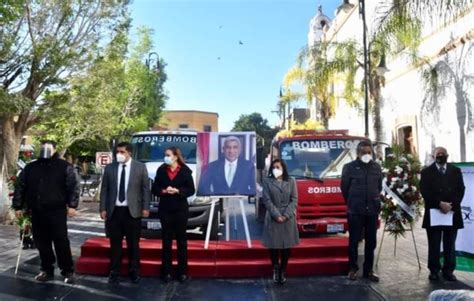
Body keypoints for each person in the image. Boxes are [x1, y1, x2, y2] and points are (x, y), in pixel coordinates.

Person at [12, 140, 79, 283]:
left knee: (61, 240)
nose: (45, 150)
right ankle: (46, 269)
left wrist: (72, 205)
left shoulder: (64, 167)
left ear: (55, 149)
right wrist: (18, 206)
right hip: (37, 210)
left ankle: (67, 270)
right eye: (43, 147)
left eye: (48, 148)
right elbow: (21, 186)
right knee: (42, 242)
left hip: (57, 210)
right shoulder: (31, 168)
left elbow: (73, 186)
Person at [99, 142, 150, 284]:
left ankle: (134, 270)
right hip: (114, 211)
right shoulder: (110, 168)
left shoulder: (140, 167)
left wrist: (145, 208)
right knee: (115, 243)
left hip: (132, 212)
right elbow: (105, 190)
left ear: (129, 153)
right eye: (118, 152)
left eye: (122, 152)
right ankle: (114, 271)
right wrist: (102, 208)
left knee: (133, 244)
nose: (119, 155)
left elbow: (145, 189)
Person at [420, 147, 465, 282]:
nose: (441, 156)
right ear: (433, 157)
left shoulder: (455, 171)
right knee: (434, 243)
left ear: (447, 155)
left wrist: (450, 205)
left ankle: (449, 270)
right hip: (434, 212)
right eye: (438, 154)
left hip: (451, 212)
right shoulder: (426, 172)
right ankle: (434, 270)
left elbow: (461, 189)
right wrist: (440, 204)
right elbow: (425, 191)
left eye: (443, 154)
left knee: (450, 243)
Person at [340, 140, 382, 282]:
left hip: (372, 210)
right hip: (355, 210)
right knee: (354, 241)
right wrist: (353, 202)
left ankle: (368, 270)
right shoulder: (349, 167)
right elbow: (344, 189)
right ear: (358, 154)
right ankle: (352, 269)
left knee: (371, 242)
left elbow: (379, 187)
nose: (366, 155)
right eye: (363, 152)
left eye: (369, 152)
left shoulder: (376, 167)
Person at [152, 147, 195, 283]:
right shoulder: (161, 170)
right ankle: (166, 272)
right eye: (165, 155)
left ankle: (182, 272)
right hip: (165, 209)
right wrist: (163, 191)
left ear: (176, 156)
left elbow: (191, 189)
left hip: (180, 209)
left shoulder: (185, 171)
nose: (166, 157)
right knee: (166, 241)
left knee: (181, 241)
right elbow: (154, 188)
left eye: (168, 155)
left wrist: (178, 191)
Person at [261, 159, 299, 285]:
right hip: (273, 217)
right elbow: (266, 200)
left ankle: (283, 270)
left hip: (288, 218)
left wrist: (286, 215)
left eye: (278, 167)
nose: (275, 169)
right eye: (273, 167)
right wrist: (277, 215)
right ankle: (275, 268)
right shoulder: (267, 182)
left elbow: (294, 200)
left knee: (286, 247)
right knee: (273, 246)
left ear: (283, 168)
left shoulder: (291, 181)